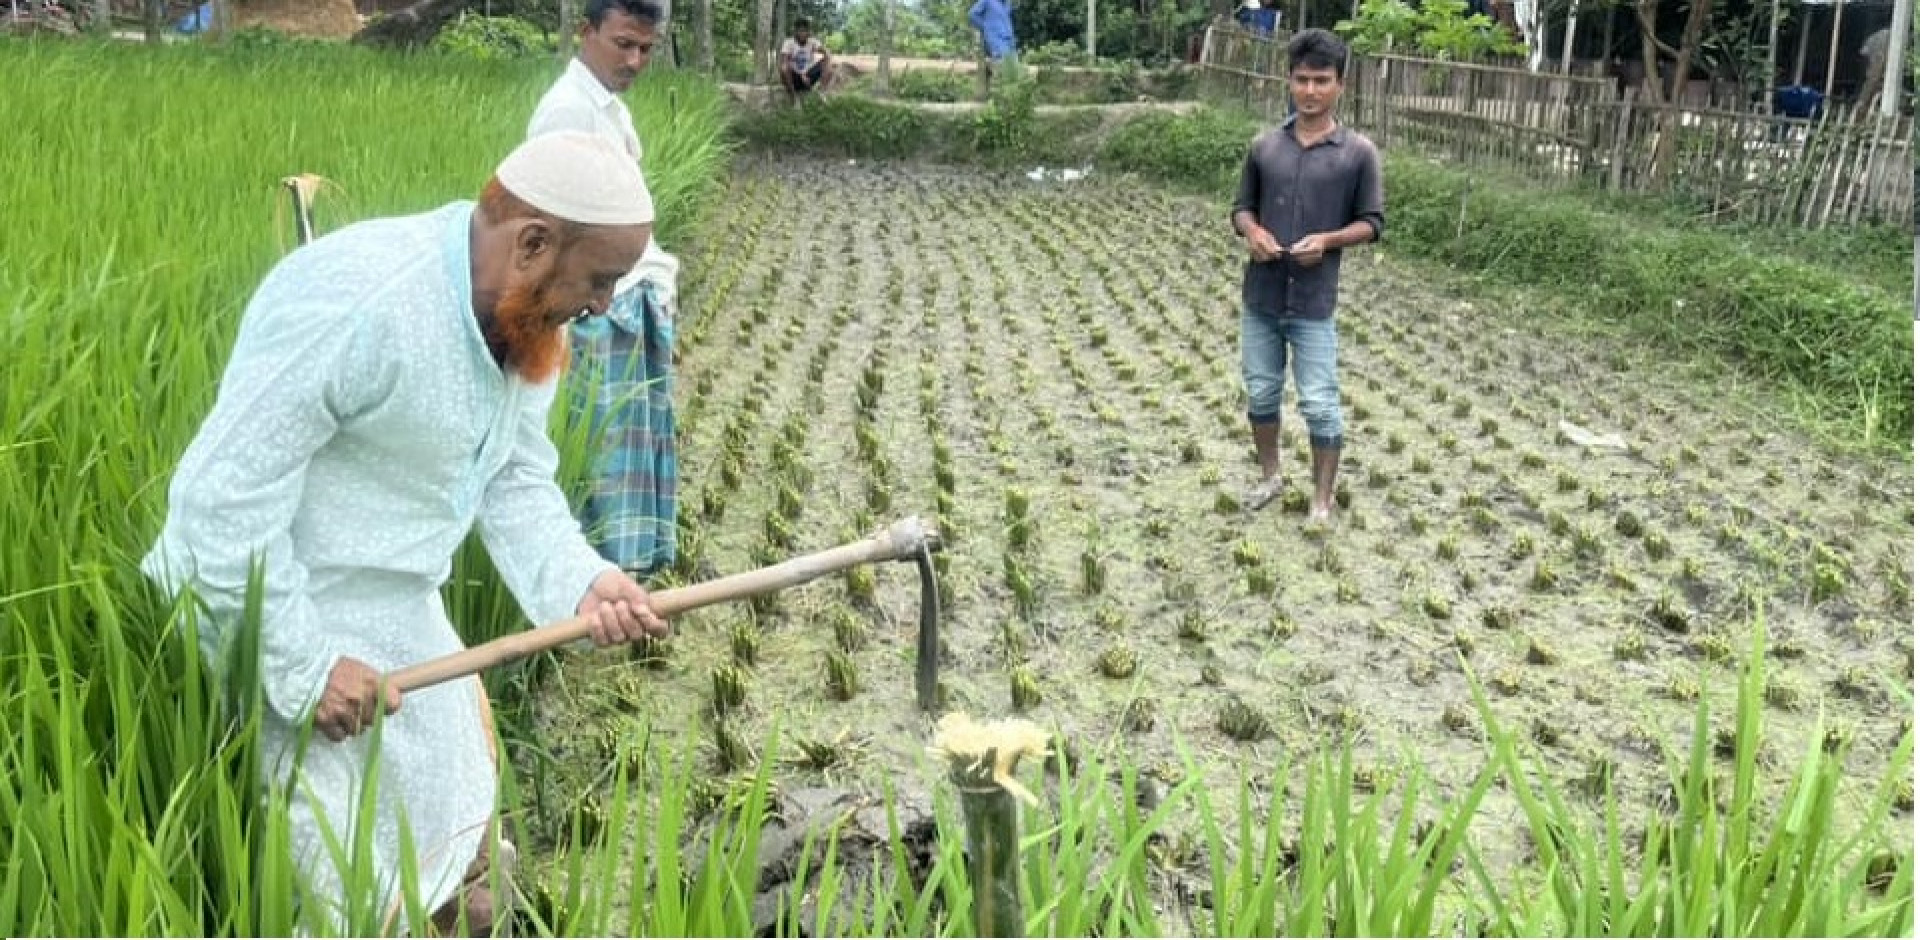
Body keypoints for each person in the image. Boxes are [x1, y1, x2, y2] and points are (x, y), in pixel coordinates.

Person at [139, 132, 673, 936]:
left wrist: (581, 581)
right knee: (343, 891)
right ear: (532, 242)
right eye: (598, 281)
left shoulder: (522, 323)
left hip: (403, 623)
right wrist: (303, 664)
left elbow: (513, 476)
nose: (602, 306)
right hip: (273, 613)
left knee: (460, 845)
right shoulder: (358, 299)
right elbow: (217, 504)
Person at [528, 0, 684, 580]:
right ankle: (599, 582)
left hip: (628, 298)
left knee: (631, 446)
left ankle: (631, 570)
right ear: (585, 31)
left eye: (645, 47)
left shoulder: (609, 109)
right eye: (623, 43)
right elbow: (552, 233)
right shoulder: (567, 113)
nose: (635, 59)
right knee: (602, 455)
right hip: (595, 311)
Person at [1230, 28, 1383, 526]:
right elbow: (1240, 209)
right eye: (1302, 80)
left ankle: (1322, 500)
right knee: (1261, 392)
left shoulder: (1358, 153)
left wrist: (1328, 240)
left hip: (1315, 302)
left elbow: (1372, 223)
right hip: (1262, 297)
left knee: (1319, 403)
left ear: (1341, 85)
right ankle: (1271, 476)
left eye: (1322, 80)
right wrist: (1251, 231)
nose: (1311, 91)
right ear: (1289, 82)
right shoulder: (1265, 147)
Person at [779, 18, 833, 102]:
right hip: (794, 78)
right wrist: (801, 74)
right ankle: (794, 97)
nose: (802, 34)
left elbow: (827, 52)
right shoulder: (788, 43)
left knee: (827, 60)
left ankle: (822, 92)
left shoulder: (812, 41)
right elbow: (784, 63)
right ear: (795, 31)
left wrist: (827, 53)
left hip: (809, 77)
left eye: (805, 31)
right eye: (800, 31)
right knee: (784, 68)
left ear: (808, 32)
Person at [968, 0, 1019, 87]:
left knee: (1014, 69)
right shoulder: (987, 1)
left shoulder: (1007, 3)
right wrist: (985, 27)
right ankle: (998, 93)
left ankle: (1010, 95)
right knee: (1001, 66)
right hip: (996, 40)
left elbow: (1005, 20)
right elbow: (972, 14)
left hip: (1009, 40)